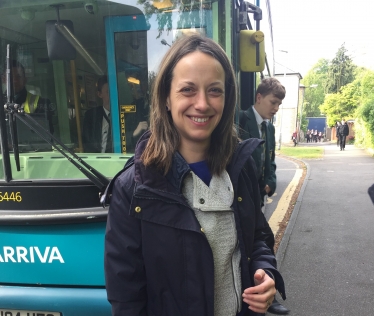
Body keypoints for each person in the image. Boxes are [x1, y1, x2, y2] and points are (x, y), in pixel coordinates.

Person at [104, 34, 286, 316]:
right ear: (166, 96)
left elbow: (258, 238)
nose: (202, 104)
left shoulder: (241, 168)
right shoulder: (135, 189)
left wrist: (265, 271)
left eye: (214, 90)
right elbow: (126, 295)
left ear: (227, 97)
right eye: (188, 90)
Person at [239, 77, 289, 315]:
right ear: (259, 98)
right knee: (246, 245)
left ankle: (267, 287)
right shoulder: (239, 119)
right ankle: (254, 293)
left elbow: (270, 160)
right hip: (242, 196)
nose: (276, 107)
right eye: (273, 102)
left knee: (262, 242)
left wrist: (270, 182)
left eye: (279, 104)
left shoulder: (269, 127)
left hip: (260, 195)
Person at [82, 75, 149, 153]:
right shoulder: (91, 116)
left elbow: (133, 144)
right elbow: (87, 144)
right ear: (99, 94)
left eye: (115, 92)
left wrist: (133, 134)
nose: (112, 95)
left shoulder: (128, 114)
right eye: (108, 92)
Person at [2, 60, 54, 133]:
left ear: (25, 80)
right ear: (3, 79)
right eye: (11, 77)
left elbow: (46, 134)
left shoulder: (41, 103)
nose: (15, 81)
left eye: (18, 77)